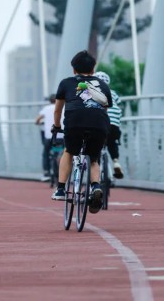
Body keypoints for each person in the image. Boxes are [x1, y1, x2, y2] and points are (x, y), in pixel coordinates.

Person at [51, 50, 112, 214]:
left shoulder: (66, 83)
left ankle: (61, 189)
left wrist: (56, 126)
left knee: (69, 151)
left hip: (74, 123)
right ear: (93, 70)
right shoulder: (103, 85)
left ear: (73, 69)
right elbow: (104, 110)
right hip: (99, 124)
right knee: (93, 159)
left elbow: (58, 110)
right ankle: (95, 186)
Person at [94, 71, 124, 179]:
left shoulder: (90, 92)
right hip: (114, 124)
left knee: (94, 145)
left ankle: (95, 170)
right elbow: (119, 106)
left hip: (99, 124)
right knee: (112, 142)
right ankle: (116, 161)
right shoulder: (113, 93)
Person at [35, 94, 64, 179]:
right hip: (62, 136)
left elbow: (37, 120)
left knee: (46, 152)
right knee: (66, 152)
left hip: (50, 137)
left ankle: (46, 172)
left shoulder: (46, 109)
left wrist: (39, 123)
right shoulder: (64, 107)